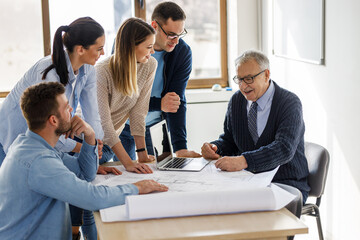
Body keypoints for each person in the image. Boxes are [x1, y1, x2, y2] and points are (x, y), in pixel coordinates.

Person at [0, 82, 168, 240]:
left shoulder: (32, 145)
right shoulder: (39, 161)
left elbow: (85, 173)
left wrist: (90, 135)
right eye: (67, 108)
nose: (72, 110)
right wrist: (137, 188)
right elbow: (93, 198)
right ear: (53, 120)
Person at [201, 50, 310, 203]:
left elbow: (284, 148)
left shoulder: (289, 102)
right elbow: (230, 141)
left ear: (266, 75)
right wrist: (215, 148)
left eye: (249, 79)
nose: (243, 86)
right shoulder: (237, 101)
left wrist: (244, 161)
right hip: (247, 181)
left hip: (285, 183)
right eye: (239, 79)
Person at [119, 2, 201, 161]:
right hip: (122, 124)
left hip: (151, 127)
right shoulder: (128, 46)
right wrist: (159, 104)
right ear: (154, 25)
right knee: (124, 174)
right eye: (171, 34)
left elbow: (175, 101)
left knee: (155, 174)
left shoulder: (182, 52)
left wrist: (180, 147)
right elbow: (123, 99)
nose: (175, 41)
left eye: (180, 34)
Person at [96, 17, 157, 174]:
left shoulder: (150, 65)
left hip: (108, 147)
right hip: (82, 144)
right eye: (149, 46)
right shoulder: (102, 70)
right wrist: (128, 163)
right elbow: (104, 123)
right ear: (131, 47)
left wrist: (142, 153)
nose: (153, 51)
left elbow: (139, 112)